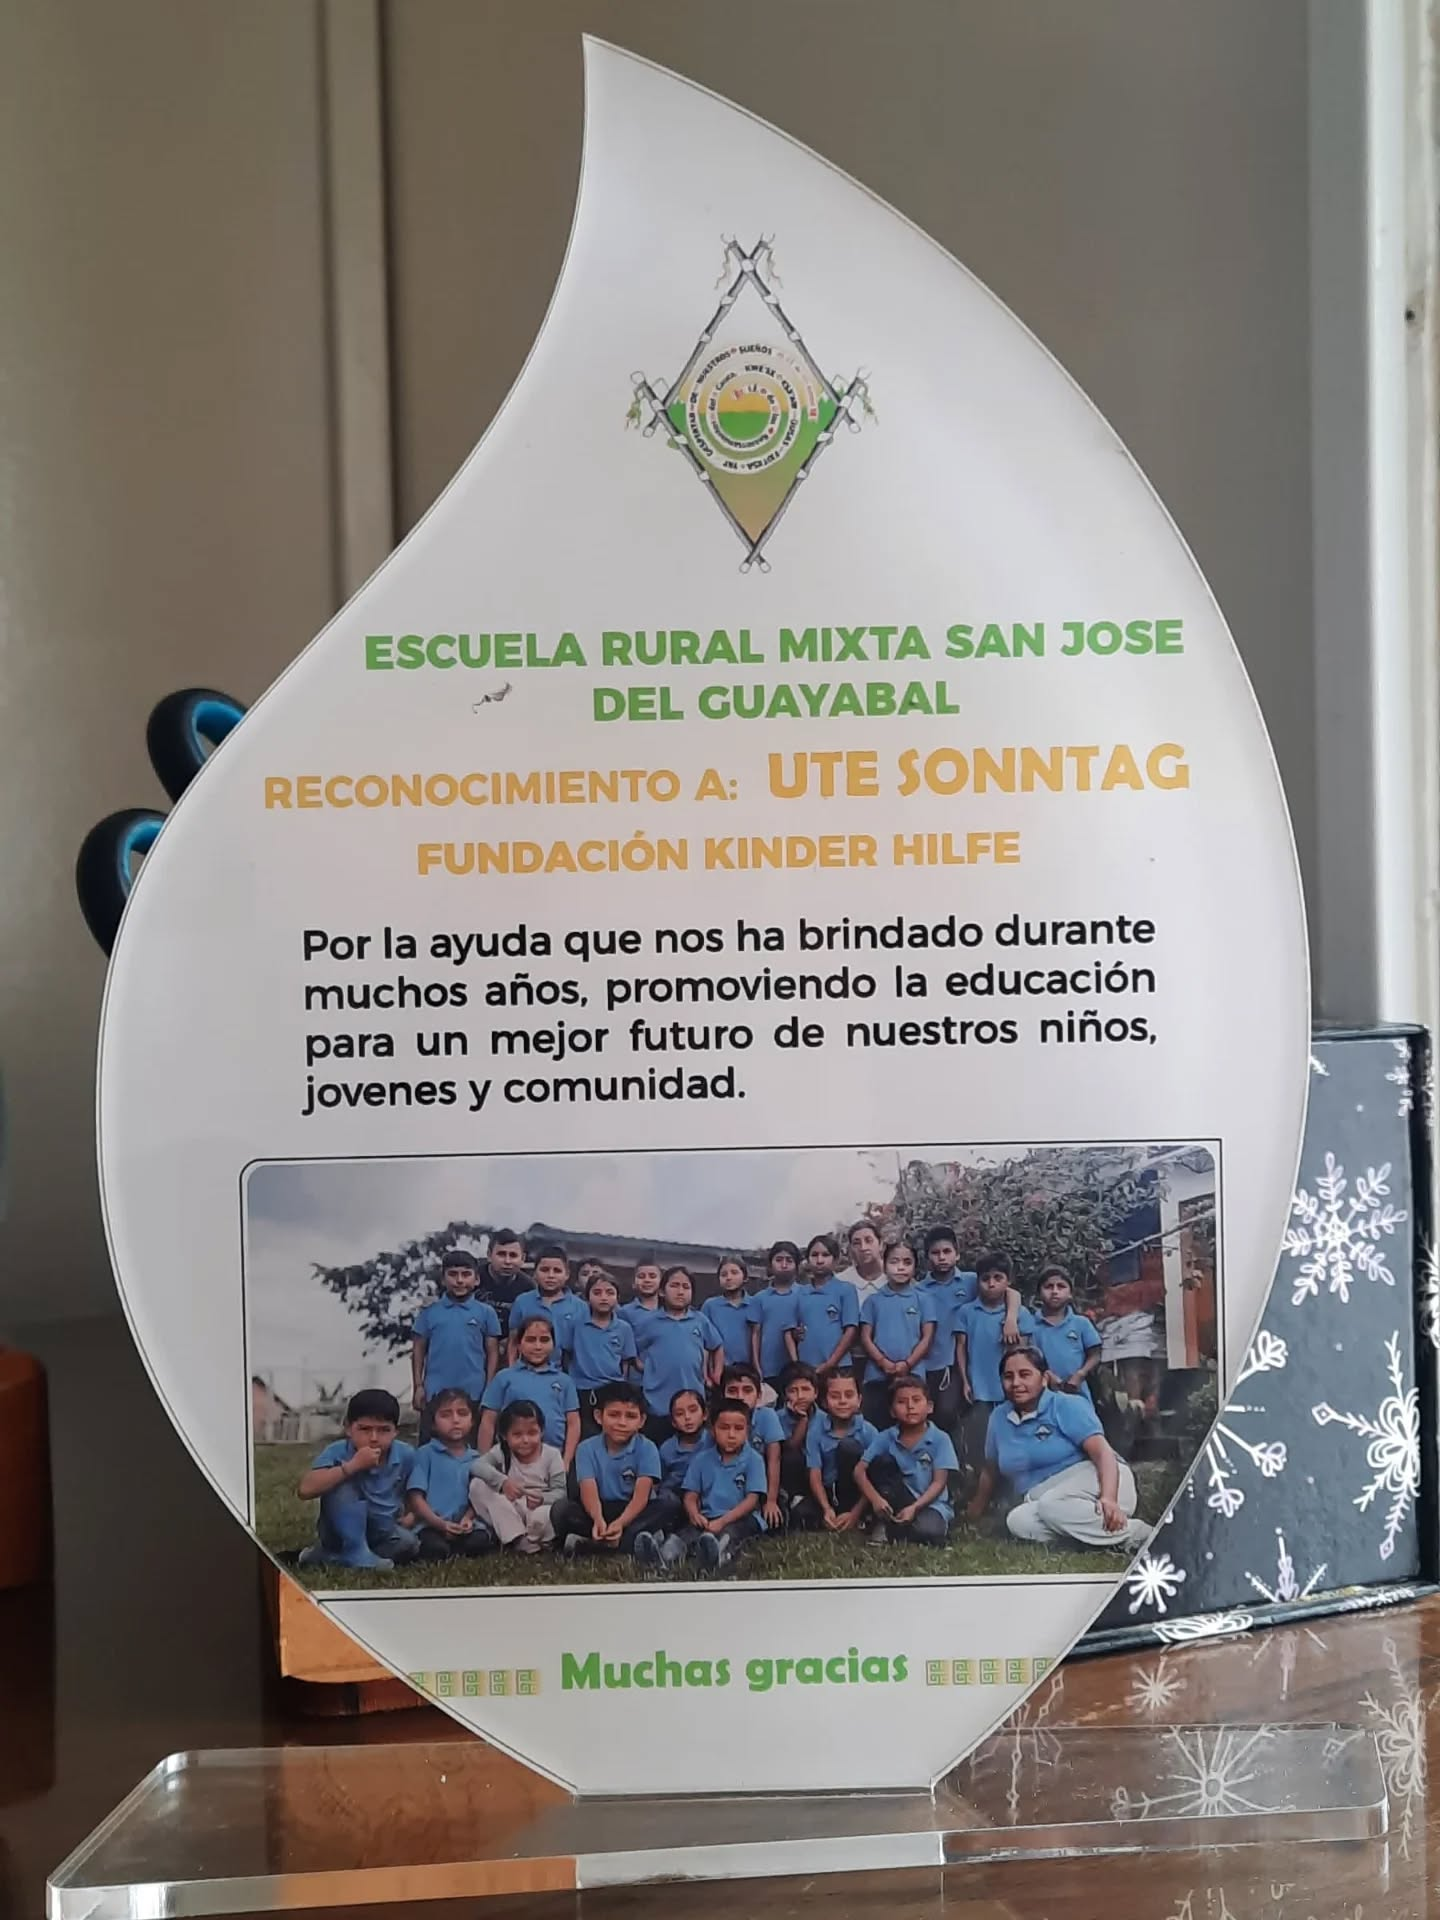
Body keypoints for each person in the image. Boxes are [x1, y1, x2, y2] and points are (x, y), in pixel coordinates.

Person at [968, 1346, 1150, 1550]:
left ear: (1044, 1378)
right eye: (1008, 1377)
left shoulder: (1066, 1405)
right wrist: (976, 1509)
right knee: (1018, 1521)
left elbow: (1102, 1453)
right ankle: (1101, 1537)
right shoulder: (999, 1417)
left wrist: (1109, 1498)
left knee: (1051, 1505)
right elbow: (991, 1469)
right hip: (1051, 1501)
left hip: (1103, 1482)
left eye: (1025, 1375)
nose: (1016, 1383)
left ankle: (1140, 1533)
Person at [635, 1399, 765, 1575]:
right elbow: (691, 1494)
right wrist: (694, 1514)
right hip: (707, 1517)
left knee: (730, 1534)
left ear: (748, 1430)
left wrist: (723, 1521)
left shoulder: (753, 1460)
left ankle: (717, 1556)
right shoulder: (701, 1459)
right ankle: (661, 1556)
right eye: (724, 1428)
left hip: (740, 1518)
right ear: (712, 1430)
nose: (731, 1434)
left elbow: (751, 1500)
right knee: (686, 1535)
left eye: (738, 1429)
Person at [296, 1388, 420, 1571]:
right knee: (342, 1483)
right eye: (364, 1429)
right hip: (340, 1532)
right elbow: (305, 1490)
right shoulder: (338, 1451)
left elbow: (414, 1491)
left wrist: (412, 1514)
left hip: (382, 1530)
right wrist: (352, 1466)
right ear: (348, 1428)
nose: (374, 1438)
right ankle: (353, 1551)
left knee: (410, 1544)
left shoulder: (406, 1454)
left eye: (384, 1430)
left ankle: (327, 1557)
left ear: (395, 1431)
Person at [920, 1225, 1021, 1436]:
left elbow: (1010, 1292)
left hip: (960, 1363)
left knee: (953, 1413)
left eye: (947, 1251)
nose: (942, 1257)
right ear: (927, 1257)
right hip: (928, 1362)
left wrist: (1011, 1318)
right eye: (935, 1253)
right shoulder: (919, 1289)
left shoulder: (971, 1281)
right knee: (927, 1415)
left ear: (957, 1254)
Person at [553, 1382, 665, 1557]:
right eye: (614, 1415)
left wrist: (620, 1523)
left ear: (641, 1421)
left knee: (668, 1504)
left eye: (630, 1416)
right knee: (561, 1509)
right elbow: (588, 1490)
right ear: (599, 1416)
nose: (622, 1423)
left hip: (632, 1510)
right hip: (599, 1508)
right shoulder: (586, 1448)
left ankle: (596, 1544)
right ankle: (628, 1541)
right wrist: (598, 1519)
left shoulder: (648, 1448)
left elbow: (641, 1497)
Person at [855, 1374, 958, 1545]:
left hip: (929, 1503)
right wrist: (875, 1499)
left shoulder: (940, 1439)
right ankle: (884, 1522)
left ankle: (899, 1529)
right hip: (896, 1499)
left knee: (929, 1532)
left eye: (916, 1400)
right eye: (901, 1402)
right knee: (882, 1461)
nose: (910, 1406)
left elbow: (939, 1483)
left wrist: (915, 1508)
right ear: (892, 1411)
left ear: (930, 1407)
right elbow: (859, 1471)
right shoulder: (886, 1437)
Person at [956, 1252, 1037, 1466]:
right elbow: (961, 1348)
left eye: (998, 1278)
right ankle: (979, 1476)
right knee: (981, 1439)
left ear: (1008, 1281)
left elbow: (1025, 1352)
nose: (991, 1284)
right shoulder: (967, 1312)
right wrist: (965, 1381)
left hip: (1010, 1388)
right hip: (979, 1388)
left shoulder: (1020, 1314)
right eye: (985, 1279)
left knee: (1014, 1435)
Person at [410, 1250, 501, 1428]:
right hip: (434, 1393)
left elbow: (492, 1353)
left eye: (466, 1275)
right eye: (453, 1274)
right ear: (443, 1279)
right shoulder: (429, 1312)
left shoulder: (486, 1313)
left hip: (474, 1393)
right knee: (431, 1441)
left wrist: (489, 1389)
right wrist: (418, 1386)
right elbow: (418, 1351)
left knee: (473, 1443)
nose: (459, 1280)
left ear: (476, 1279)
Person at [633, 1265, 724, 1442]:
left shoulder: (699, 1320)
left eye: (686, 1287)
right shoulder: (649, 1322)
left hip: (692, 1402)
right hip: (658, 1403)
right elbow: (632, 1350)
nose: (680, 1291)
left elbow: (717, 1346)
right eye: (674, 1286)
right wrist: (644, 1367)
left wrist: (716, 1373)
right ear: (661, 1291)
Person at [405, 1388, 494, 1561]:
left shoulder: (477, 1459)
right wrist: (440, 1524)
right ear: (433, 1423)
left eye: (462, 1413)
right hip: (431, 1524)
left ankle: (458, 1546)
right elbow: (416, 1498)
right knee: (433, 1548)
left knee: (480, 1542)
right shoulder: (425, 1454)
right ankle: (444, 1548)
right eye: (446, 1415)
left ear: (472, 1421)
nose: (455, 1420)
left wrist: (468, 1519)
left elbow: (479, 1497)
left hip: (466, 1524)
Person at [478, 1318, 581, 1467]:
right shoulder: (504, 1378)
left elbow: (573, 1423)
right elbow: (488, 1421)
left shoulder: (565, 1381)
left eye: (544, 1340)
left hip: (553, 1462)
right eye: (531, 1340)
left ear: (553, 1344)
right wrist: (484, 1464)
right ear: (519, 1345)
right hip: (512, 1461)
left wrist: (566, 1462)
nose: (538, 1346)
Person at [858, 1239, 938, 1429]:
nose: (900, 1267)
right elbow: (865, 1337)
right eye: (894, 1262)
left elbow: (927, 1337)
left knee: (911, 1427)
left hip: (913, 1375)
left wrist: (907, 1364)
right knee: (876, 1426)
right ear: (884, 1265)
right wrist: (883, 1362)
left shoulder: (923, 1299)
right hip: (877, 1377)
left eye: (907, 1262)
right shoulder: (873, 1301)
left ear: (915, 1267)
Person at [468, 1399, 567, 1553]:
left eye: (532, 1433)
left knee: (545, 1516)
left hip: (538, 1509)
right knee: (477, 1486)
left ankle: (528, 1538)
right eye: (517, 1434)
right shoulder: (502, 1451)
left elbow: (561, 1492)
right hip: (510, 1507)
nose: (525, 1440)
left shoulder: (552, 1455)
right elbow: (476, 1466)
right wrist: (503, 1482)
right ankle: (518, 1538)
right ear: (504, 1435)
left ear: (541, 1432)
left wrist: (543, 1498)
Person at [564, 1269, 639, 1434]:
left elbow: (625, 1362)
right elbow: (566, 1354)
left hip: (612, 1390)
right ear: (587, 1297)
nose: (603, 1297)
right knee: (584, 1433)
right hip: (581, 1389)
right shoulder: (576, 1324)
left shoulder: (624, 1328)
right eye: (597, 1293)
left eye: (609, 1293)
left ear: (618, 1297)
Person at [803, 1369, 877, 1533]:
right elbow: (814, 1473)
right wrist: (826, 1508)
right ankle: (831, 1515)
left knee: (848, 1447)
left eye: (849, 1395)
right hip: (829, 1491)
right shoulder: (815, 1431)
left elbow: (874, 1477)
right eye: (835, 1396)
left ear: (859, 1400)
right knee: (801, 1515)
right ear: (824, 1402)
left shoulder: (869, 1432)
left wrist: (855, 1513)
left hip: (858, 1493)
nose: (842, 1401)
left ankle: (859, 1516)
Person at [717, 1361, 785, 1528]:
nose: (740, 1396)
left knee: (775, 1521)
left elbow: (774, 1459)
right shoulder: (717, 1420)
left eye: (747, 1390)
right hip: (729, 1482)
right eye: (732, 1391)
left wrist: (771, 1500)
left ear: (759, 1395)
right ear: (723, 1395)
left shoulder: (767, 1416)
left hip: (761, 1480)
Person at [1030, 1265, 1102, 1400]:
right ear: (1039, 1293)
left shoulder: (1081, 1323)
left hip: (1077, 1391)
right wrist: (1048, 1375)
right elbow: (1029, 1358)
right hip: (1041, 1394)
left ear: (1070, 1293)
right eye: (1049, 1287)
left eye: (1061, 1286)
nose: (1054, 1291)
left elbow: (1095, 1354)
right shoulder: (1031, 1325)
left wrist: (1081, 1374)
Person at [506, 1243, 587, 1363]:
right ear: (535, 1273)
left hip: (565, 1371)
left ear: (567, 1275)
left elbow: (584, 1347)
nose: (550, 1275)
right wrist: (513, 1370)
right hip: (528, 1370)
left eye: (557, 1271)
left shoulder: (580, 1307)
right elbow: (513, 1342)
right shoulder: (522, 1302)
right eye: (545, 1270)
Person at [794, 1234, 860, 1378]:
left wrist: (831, 1363)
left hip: (839, 1366)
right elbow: (795, 1329)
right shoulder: (800, 1293)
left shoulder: (846, 1290)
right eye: (814, 1255)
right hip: (807, 1366)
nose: (819, 1260)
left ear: (835, 1260)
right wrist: (797, 1334)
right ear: (807, 1260)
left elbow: (851, 1330)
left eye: (825, 1255)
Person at [654, 1386, 708, 1532]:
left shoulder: (713, 1442)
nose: (687, 1417)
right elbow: (659, 1482)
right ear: (673, 1422)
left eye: (693, 1410)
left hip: (703, 1493)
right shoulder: (667, 1449)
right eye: (679, 1414)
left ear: (704, 1414)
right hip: (675, 1494)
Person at [752, 1241, 803, 1393]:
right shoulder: (759, 1298)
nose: (784, 1265)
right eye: (779, 1260)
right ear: (770, 1265)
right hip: (769, 1368)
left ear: (797, 1266)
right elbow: (755, 1334)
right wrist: (756, 1366)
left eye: (789, 1260)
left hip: (801, 1368)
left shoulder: (805, 1294)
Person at [776, 1362, 819, 1511]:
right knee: (791, 1455)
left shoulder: (825, 1418)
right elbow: (791, 1447)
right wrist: (803, 1420)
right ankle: (791, 1498)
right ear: (784, 1395)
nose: (800, 1396)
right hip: (792, 1476)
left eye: (806, 1389)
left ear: (816, 1393)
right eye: (793, 1391)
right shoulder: (777, 1418)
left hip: (820, 1475)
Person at [707, 1253, 760, 1369]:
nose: (729, 1278)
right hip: (720, 1369)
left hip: (748, 1370)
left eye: (734, 1273)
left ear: (745, 1277)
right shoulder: (710, 1306)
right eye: (723, 1274)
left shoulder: (755, 1304)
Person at [476, 1227, 530, 1338]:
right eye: (501, 1254)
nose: (507, 1261)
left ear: (523, 1258)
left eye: (513, 1255)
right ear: (489, 1255)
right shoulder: (472, 1280)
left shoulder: (529, 1288)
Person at [844, 1220, 887, 1307]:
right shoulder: (842, 1282)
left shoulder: (897, 1276)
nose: (863, 1248)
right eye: (856, 1243)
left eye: (869, 1241)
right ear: (851, 1249)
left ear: (881, 1244)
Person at [618, 1254, 664, 1333]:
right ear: (633, 1283)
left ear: (661, 1282)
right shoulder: (625, 1312)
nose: (647, 1280)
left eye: (652, 1276)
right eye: (641, 1276)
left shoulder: (670, 1310)